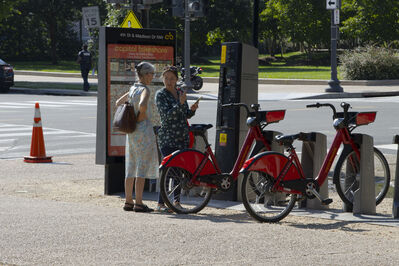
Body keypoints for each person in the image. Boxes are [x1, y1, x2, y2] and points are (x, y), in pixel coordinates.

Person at [155, 66, 199, 212]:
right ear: (163, 79)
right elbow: (166, 116)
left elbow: (184, 114)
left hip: (182, 137)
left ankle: (176, 202)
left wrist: (191, 110)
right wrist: (179, 103)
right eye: (166, 78)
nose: (169, 81)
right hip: (168, 137)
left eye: (172, 78)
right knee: (168, 169)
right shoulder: (160, 94)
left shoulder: (180, 92)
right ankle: (161, 204)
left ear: (177, 80)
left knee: (179, 171)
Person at [116, 62, 158, 213]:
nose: (153, 76)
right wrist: (140, 117)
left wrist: (132, 118)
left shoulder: (133, 88)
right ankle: (139, 202)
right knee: (142, 166)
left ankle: (128, 200)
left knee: (131, 165)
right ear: (145, 75)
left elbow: (118, 102)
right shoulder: (145, 89)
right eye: (151, 73)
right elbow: (143, 105)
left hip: (132, 132)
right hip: (143, 130)